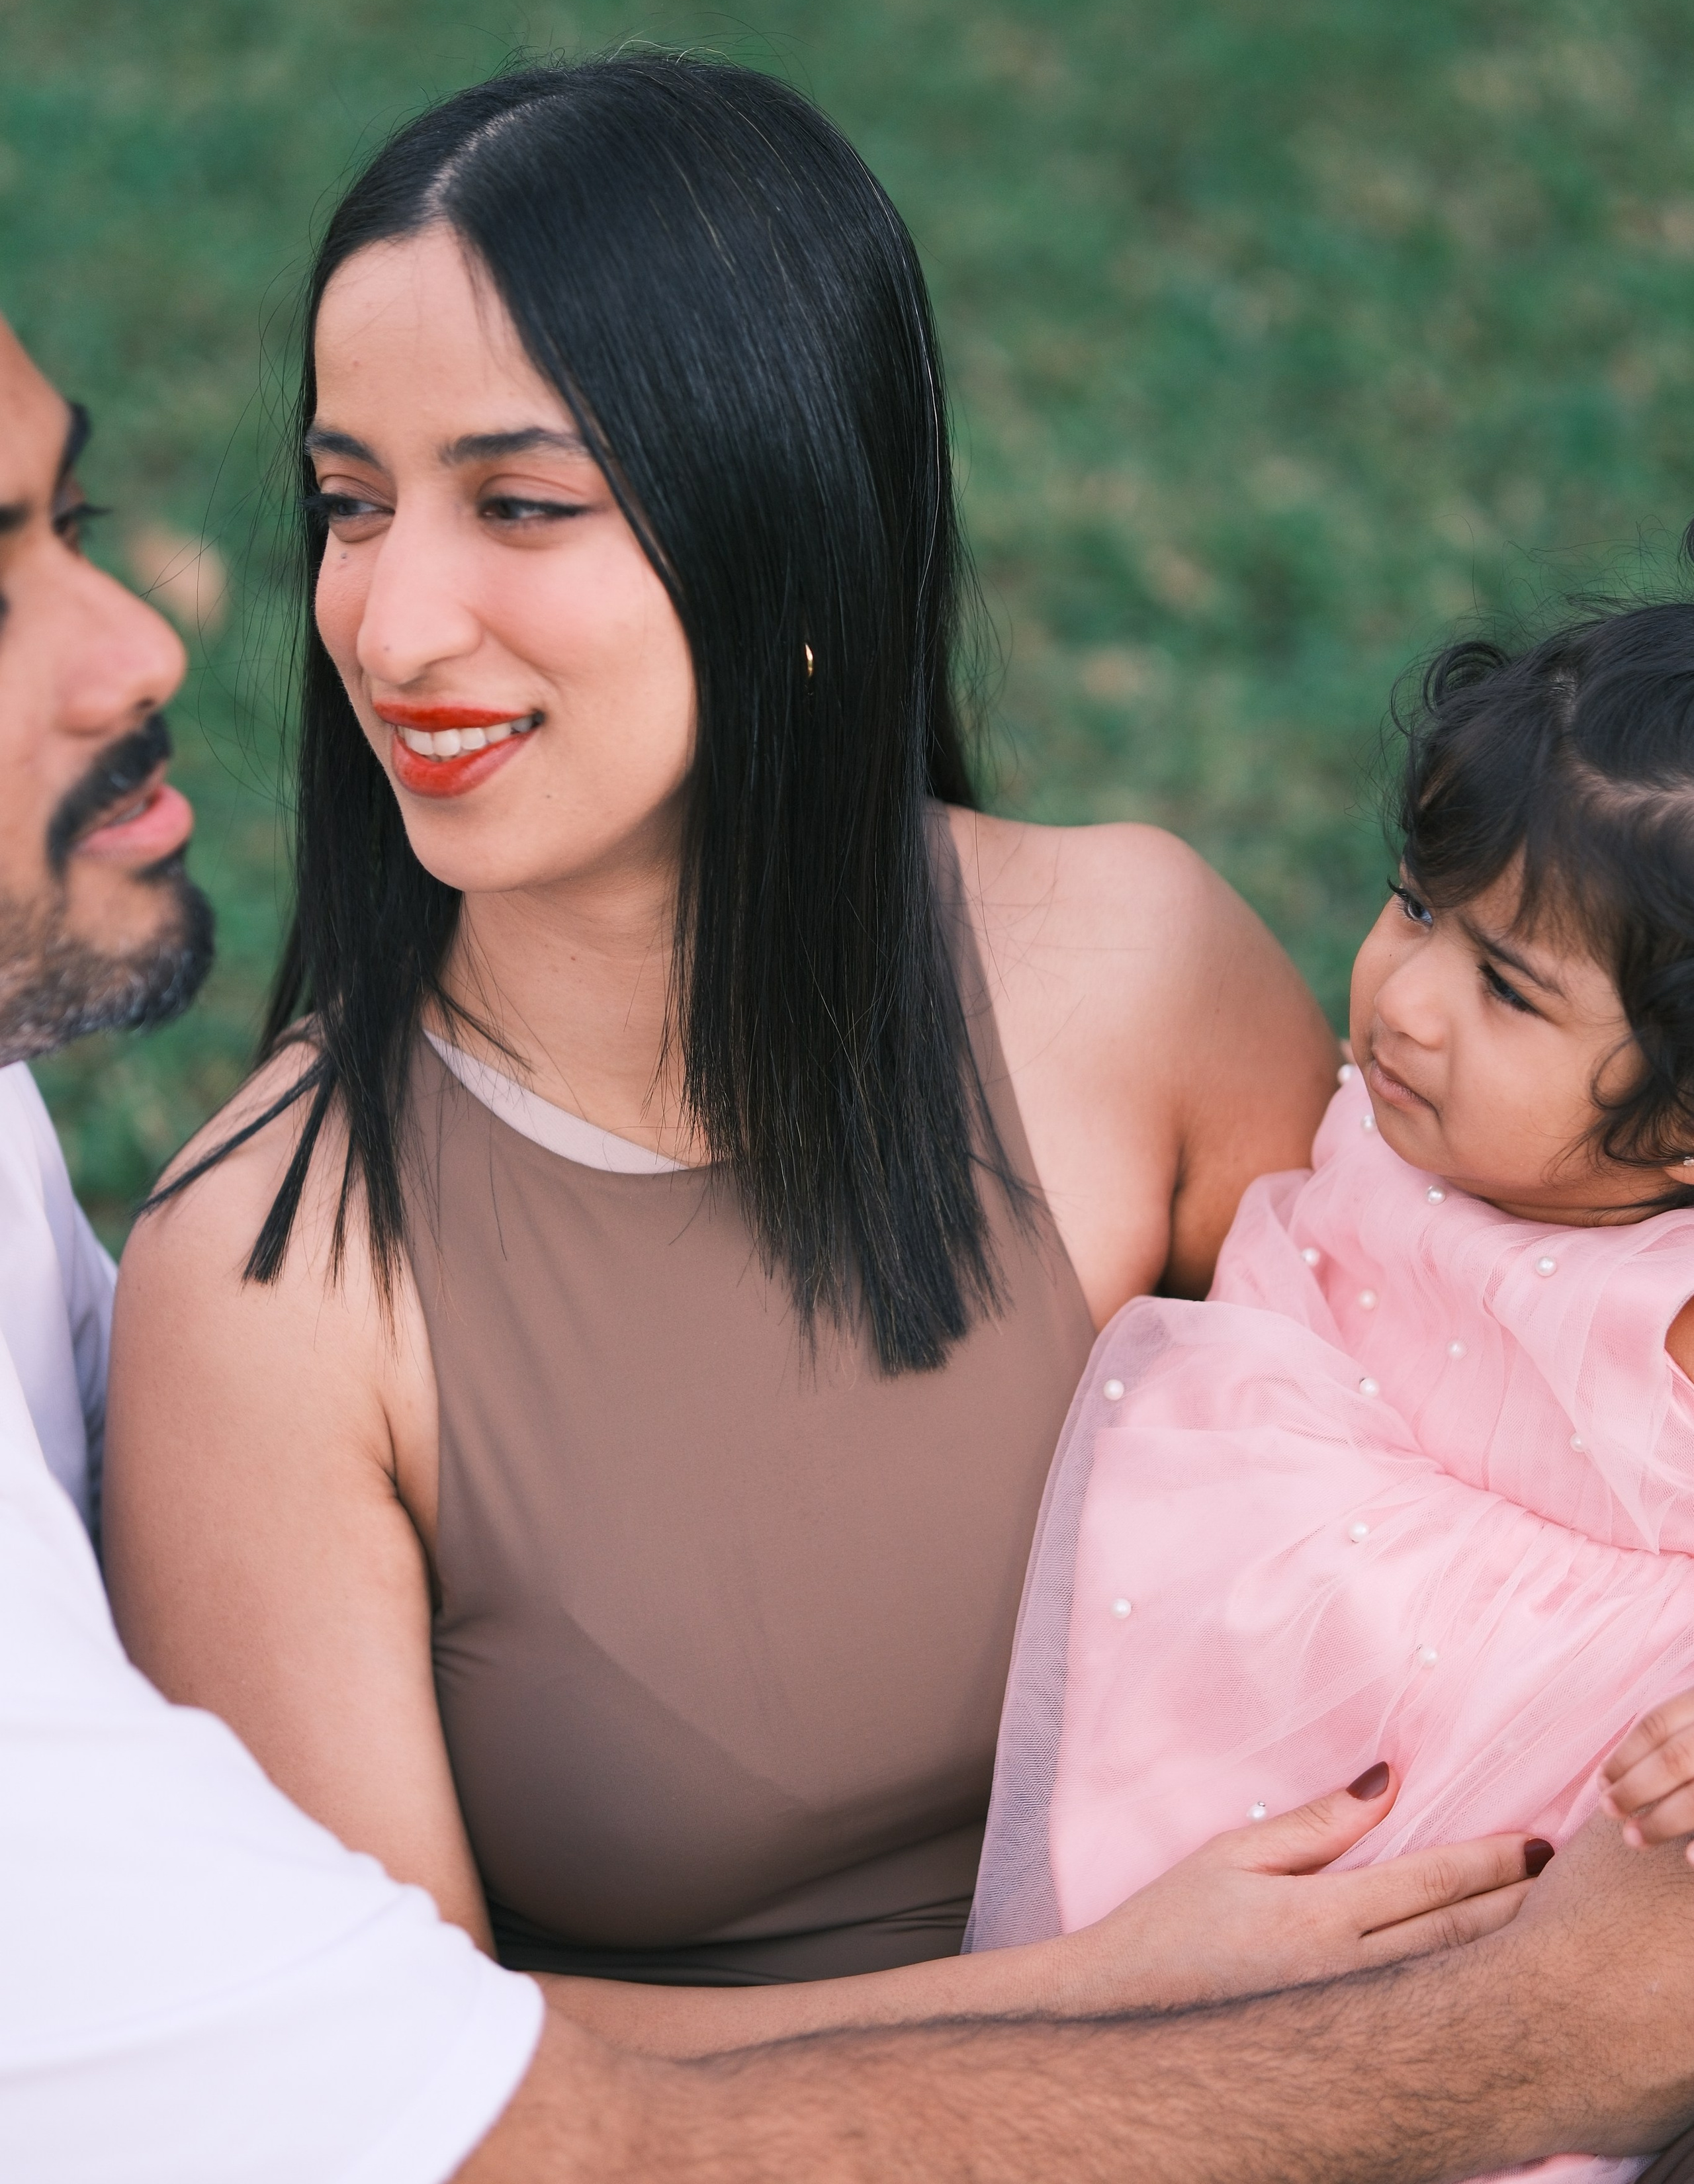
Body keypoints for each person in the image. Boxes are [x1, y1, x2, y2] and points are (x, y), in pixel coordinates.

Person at [7, 259, 1694, 2183]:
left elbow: (1533, 1367)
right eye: (350, 504)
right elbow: (361, 2080)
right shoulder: (271, 1272)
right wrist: (1125, 1998)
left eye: (522, 504)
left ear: (794, 533)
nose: (386, 622)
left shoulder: (1119, 971)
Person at [969, 602, 1694, 2175]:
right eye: (1407, 906)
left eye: (1507, 990)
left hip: (1511, 1809)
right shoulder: (1379, 1120)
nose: (1402, 998)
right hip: (1258, 1687)